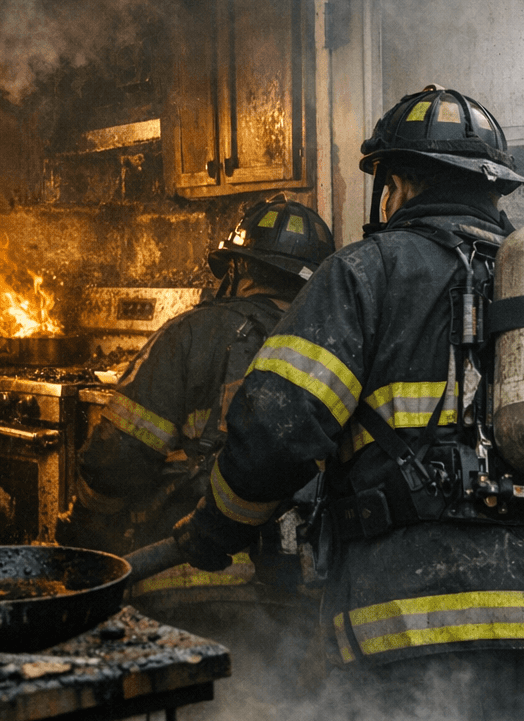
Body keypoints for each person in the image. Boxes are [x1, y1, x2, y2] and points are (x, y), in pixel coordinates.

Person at [170, 85, 524, 721]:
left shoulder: (360, 278)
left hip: (413, 632)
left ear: (396, 185)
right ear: (495, 191)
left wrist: (214, 530)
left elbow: (275, 434)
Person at [59, 195, 334, 559]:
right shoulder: (332, 348)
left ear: (237, 268)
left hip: (183, 566)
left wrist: (86, 530)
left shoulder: (188, 334)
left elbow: (118, 456)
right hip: (296, 578)